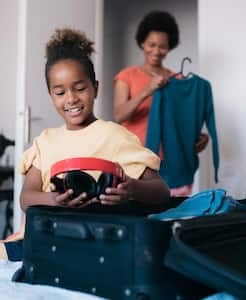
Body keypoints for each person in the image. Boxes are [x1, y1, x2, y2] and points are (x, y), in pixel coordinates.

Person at [0, 27, 170, 260]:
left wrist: (132, 190)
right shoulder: (46, 142)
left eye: (80, 89)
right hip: (43, 241)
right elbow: (25, 198)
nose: (71, 98)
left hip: (95, 243)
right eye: (60, 93)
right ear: (51, 96)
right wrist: (53, 200)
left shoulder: (115, 137)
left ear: (95, 88)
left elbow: (161, 192)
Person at [114, 11, 209, 196]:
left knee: (174, 213)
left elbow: (182, 123)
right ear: (142, 43)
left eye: (163, 46)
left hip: (172, 161)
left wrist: (200, 137)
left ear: (170, 47)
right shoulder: (127, 76)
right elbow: (119, 115)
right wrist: (147, 90)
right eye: (152, 45)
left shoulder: (178, 79)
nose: (157, 51)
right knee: (140, 213)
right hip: (136, 159)